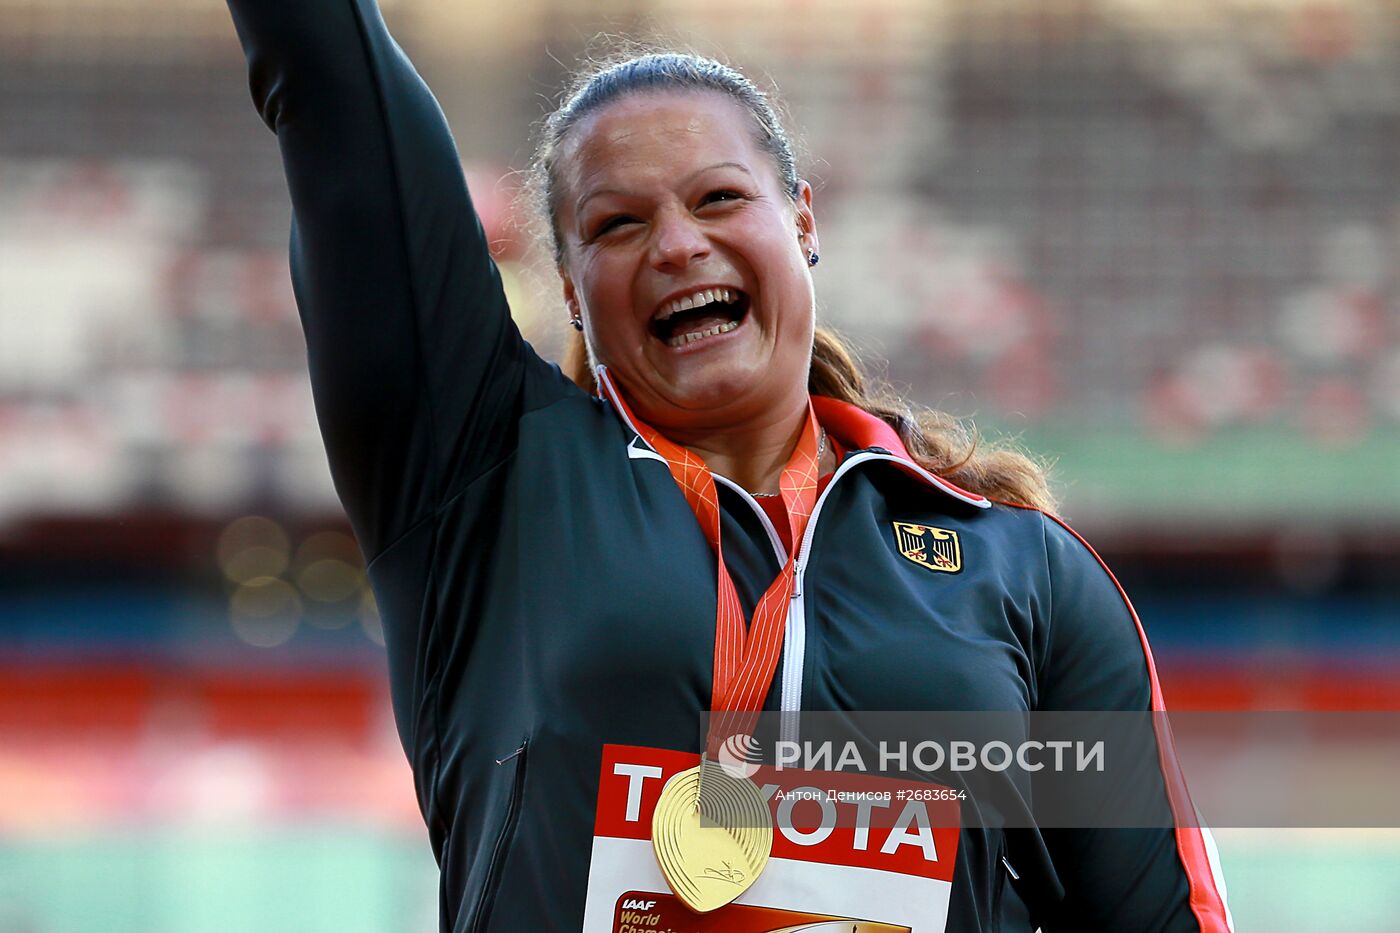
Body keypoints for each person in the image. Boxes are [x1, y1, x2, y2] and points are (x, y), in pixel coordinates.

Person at [224, 1, 1232, 929]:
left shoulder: (1021, 575)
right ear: (570, 291)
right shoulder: (487, 487)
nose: (675, 244)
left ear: (800, 223)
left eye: (716, 198)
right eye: (616, 224)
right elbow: (328, 76)